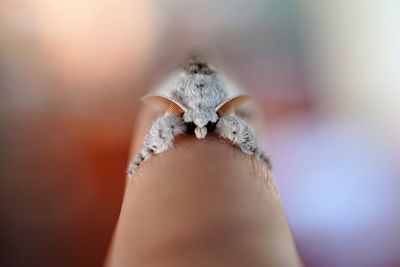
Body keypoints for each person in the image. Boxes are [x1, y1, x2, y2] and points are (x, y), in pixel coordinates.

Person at [106, 104, 303, 267]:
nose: (200, 128)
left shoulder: (229, 118)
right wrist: (146, 152)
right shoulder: (172, 114)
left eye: (208, 122)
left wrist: (256, 152)